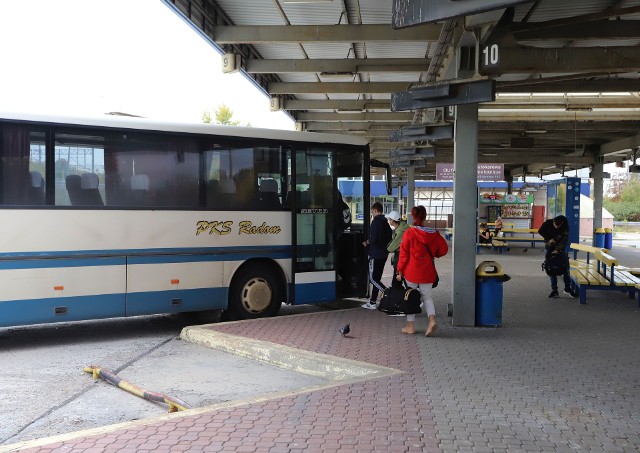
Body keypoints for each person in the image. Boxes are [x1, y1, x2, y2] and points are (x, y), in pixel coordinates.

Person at [396, 205, 448, 336]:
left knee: (410, 298)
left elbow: (403, 255)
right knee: (427, 297)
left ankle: (410, 326)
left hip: (411, 271)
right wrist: (433, 254)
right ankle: (431, 320)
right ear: (425, 217)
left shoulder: (409, 233)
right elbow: (444, 250)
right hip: (427, 271)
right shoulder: (434, 234)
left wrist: (399, 270)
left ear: (413, 217)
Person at [361, 202, 392, 309]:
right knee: (377, 278)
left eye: (372, 211)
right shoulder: (386, 222)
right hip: (383, 254)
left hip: (375, 254)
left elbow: (373, 238)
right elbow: (389, 237)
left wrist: (366, 243)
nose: (372, 214)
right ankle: (372, 302)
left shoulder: (375, 222)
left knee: (373, 279)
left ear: (375, 210)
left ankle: (387, 293)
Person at [538, 215, 578, 298]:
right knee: (550, 268)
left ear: (562, 223)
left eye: (558, 226)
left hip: (560, 249)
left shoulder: (565, 227)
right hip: (549, 247)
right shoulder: (548, 223)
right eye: (555, 225)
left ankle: (567, 288)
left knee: (565, 268)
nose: (556, 227)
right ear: (553, 221)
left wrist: (558, 249)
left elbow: (564, 240)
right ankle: (554, 290)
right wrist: (549, 239)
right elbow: (540, 231)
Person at [386, 211, 409, 289]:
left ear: (392, 220)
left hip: (400, 258)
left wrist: (387, 248)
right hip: (402, 257)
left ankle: (398, 299)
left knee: (396, 283)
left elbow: (391, 248)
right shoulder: (402, 228)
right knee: (398, 281)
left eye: (389, 219)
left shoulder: (400, 232)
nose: (388, 220)